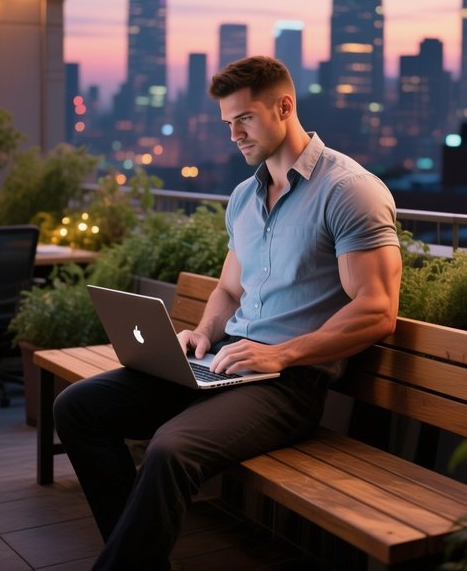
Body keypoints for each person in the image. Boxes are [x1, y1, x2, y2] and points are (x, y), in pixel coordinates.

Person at [54, 56, 401, 571]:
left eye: (244, 118)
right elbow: (227, 289)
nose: (233, 134)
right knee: (77, 407)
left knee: (170, 449)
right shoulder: (244, 197)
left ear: (285, 107)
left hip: (288, 383)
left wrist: (278, 354)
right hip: (222, 363)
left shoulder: (350, 190)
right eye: (227, 123)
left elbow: (377, 311)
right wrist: (202, 331)